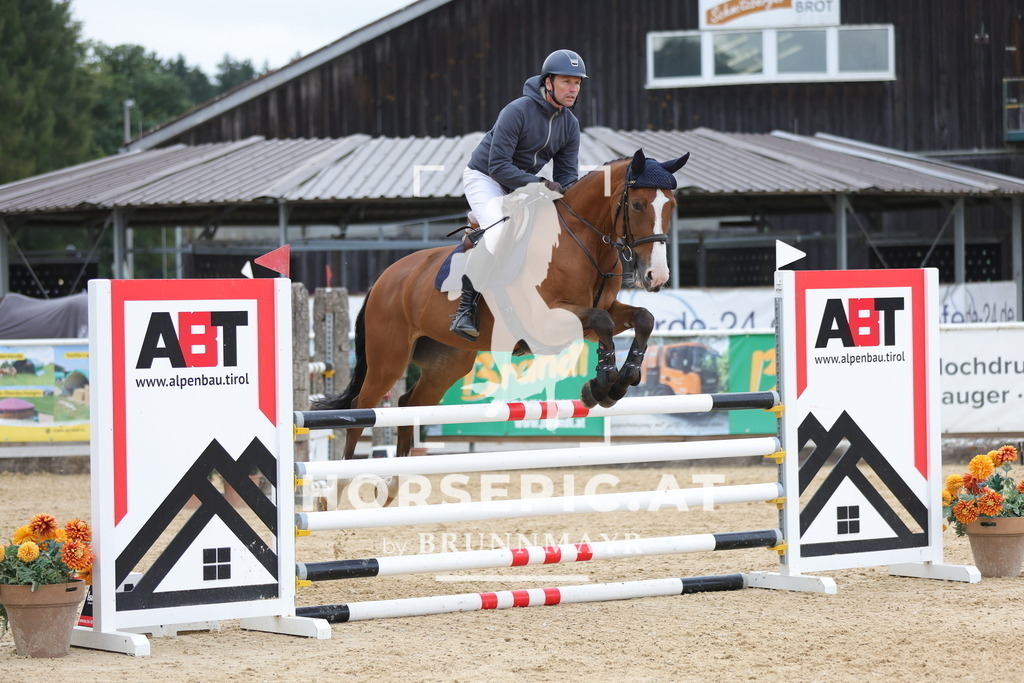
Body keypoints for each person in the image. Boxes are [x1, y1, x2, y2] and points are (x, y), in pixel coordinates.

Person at [450, 48, 587, 341]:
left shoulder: (570, 124)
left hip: (521, 184)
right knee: (500, 234)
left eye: (577, 83)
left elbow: (566, 177)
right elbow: (497, 166)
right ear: (548, 82)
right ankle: (465, 309)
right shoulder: (518, 111)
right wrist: (540, 185)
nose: (573, 89)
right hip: (485, 177)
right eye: (566, 81)